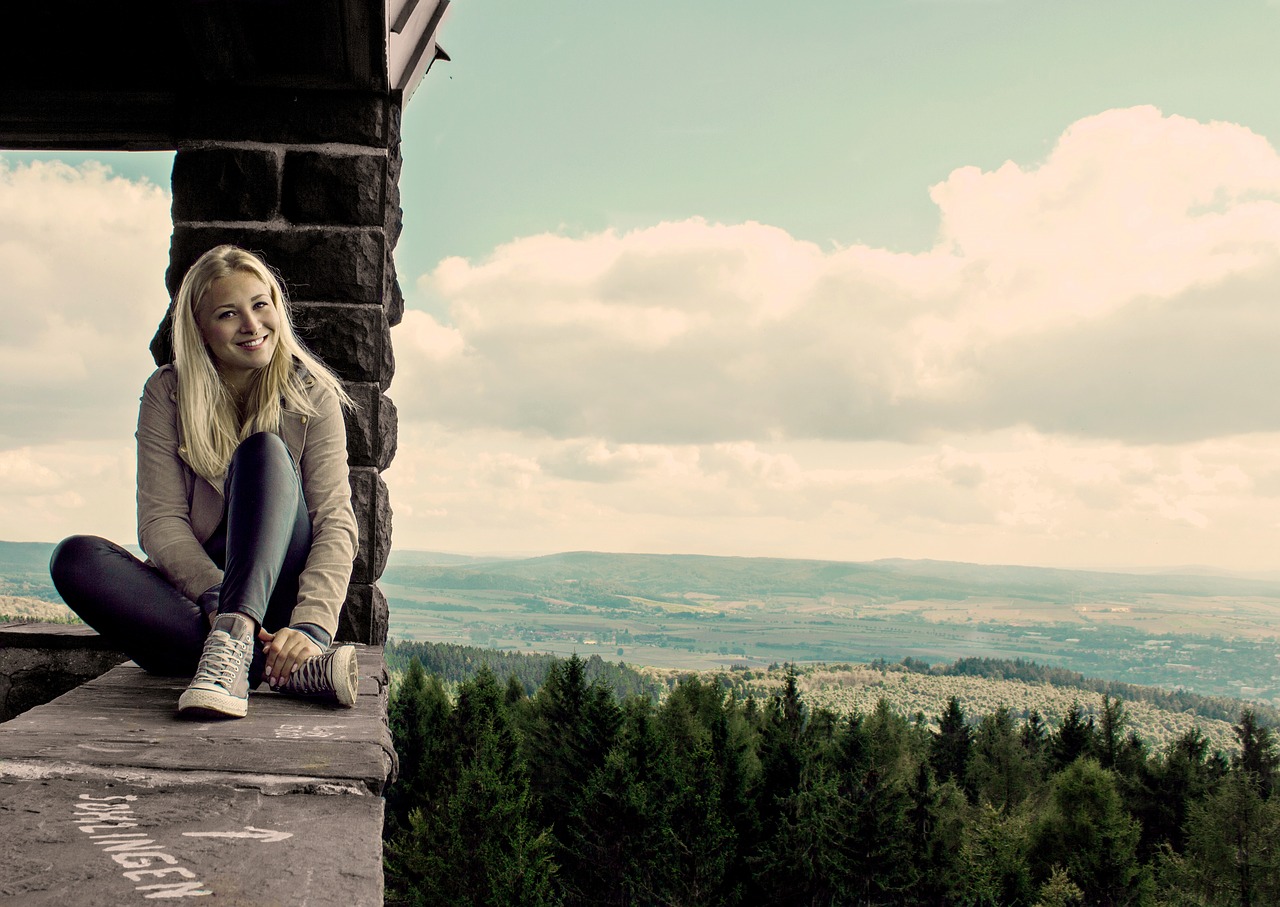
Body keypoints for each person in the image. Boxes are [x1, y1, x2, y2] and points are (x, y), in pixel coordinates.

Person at [50, 244, 360, 719]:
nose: (252, 326)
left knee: (263, 452)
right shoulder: (168, 392)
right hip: (202, 604)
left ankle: (260, 651)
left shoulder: (311, 392)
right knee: (75, 558)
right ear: (200, 329)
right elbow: (161, 523)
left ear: (278, 307)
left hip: (278, 603)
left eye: (261, 305)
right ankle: (273, 666)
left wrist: (314, 626)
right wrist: (218, 598)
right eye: (228, 313)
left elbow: (336, 522)